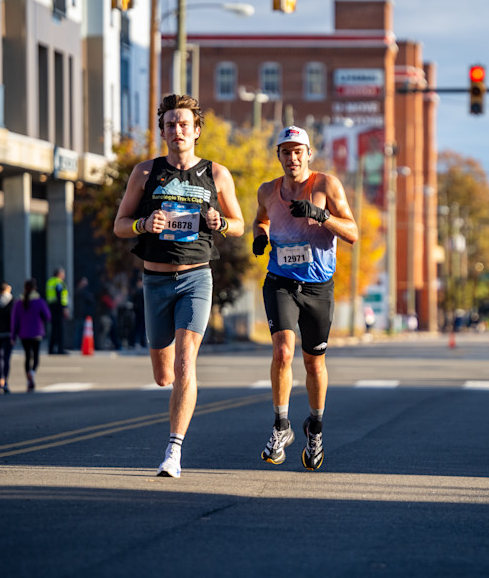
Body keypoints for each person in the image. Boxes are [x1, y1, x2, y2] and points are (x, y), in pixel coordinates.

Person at [112, 93, 245, 479]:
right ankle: (171, 410)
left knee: (187, 360)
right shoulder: (144, 172)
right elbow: (120, 224)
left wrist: (221, 222)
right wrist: (142, 224)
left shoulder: (216, 174)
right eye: (170, 124)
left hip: (196, 278)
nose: (177, 130)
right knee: (164, 375)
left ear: (197, 129)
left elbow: (238, 223)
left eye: (184, 124)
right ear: (163, 131)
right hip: (154, 279)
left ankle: (174, 450)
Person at [253, 125, 358, 471]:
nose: (292, 157)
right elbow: (261, 220)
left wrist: (320, 215)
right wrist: (260, 236)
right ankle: (281, 426)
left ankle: (314, 428)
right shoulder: (268, 190)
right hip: (280, 280)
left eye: (298, 151)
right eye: (286, 151)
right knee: (283, 351)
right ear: (279, 156)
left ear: (309, 154)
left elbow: (353, 233)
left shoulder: (326, 185)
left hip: (318, 287)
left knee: (314, 362)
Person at [10, 278, 51, 392]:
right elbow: (48, 316)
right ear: (35, 288)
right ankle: (32, 373)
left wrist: (13, 336)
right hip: (37, 333)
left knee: (28, 356)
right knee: (36, 356)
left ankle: (28, 378)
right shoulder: (39, 301)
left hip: (23, 334)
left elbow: (14, 321)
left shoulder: (19, 302)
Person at [45, 267, 70, 354]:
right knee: (59, 330)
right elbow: (60, 296)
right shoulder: (58, 283)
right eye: (63, 274)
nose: (64, 276)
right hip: (58, 308)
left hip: (51, 307)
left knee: (54, 330)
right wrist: (64, 308)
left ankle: (51, 349)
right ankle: (60, 349)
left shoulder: (50, 282)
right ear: (59, 274)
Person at [72, 276, 96, 350]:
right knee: (80, 331)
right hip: (81, 314)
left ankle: (78, 346)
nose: (86, 283)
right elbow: (90, 299)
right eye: (84, 281)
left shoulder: (79, 291)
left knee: (80, 331)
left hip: (81, 314)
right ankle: (77, 346)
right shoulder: (82, 292)